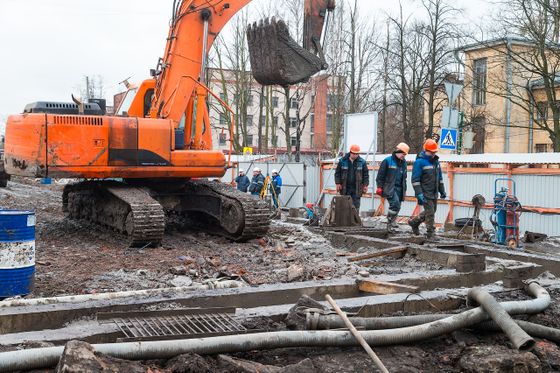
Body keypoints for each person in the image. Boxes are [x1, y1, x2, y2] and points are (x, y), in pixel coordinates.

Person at [408, 139, 447, 239]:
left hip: (434, 192)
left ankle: (414, 222)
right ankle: (430, 233)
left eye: (434, 152)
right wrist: (419, 193)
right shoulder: (419, 162)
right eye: (431, 152)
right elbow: (415, 180)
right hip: (425, 192)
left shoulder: (436, 162)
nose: (433, 154)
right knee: (430, 213)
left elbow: (440, 179)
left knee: (432, 211)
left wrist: (442, 191)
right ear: (426, 150)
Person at [376, 142, 410, 233]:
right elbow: (380, 176)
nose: (404, 156)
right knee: (395, 204)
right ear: (398, 152)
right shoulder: (387, 161)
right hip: (390, 187)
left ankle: (393, 221)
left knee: (398, 206)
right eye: (403, 154)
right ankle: (390, 222)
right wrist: (379, 187)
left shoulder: (404, 163)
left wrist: (404, 189)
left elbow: (404, 178)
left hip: (400, 188)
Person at [334, 144, 369, 210]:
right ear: (350, 152)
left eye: (357, 154)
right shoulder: (342, 161)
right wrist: (338, 183)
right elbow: (337, 173)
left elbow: (366, 175)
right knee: (345, 207)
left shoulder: (362, 162)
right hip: (345, 188)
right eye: (354, 154)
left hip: (357, 188)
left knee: (355, 207)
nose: (355, 155)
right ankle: (346, 220)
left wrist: (365, 185)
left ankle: (355, 220)